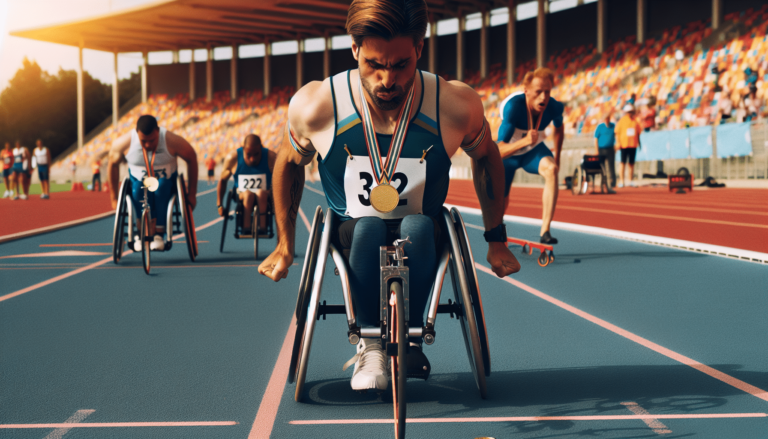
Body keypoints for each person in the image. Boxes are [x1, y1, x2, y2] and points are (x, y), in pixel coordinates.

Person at [258, 0, 520, 392]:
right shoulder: (317, 104)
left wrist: (496, 239)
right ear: (355, 49)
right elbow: (288, 163)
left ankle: (410, 337)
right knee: (365, 228)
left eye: (400, 65)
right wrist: (284, 244)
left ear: (419, 49)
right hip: (351, 228)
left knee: (415, 224)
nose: (387, 79)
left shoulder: (453, 103)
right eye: (374, 65)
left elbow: (487, 158)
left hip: (423, 226)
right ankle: (372, 344)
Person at [108, 115, 199, 251]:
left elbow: (192, 157)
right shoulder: (124, 143)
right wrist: (114, 197)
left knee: (160, 187)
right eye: (143, 141)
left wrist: (192, 193)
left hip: (166, 182)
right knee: (138, 188)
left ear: (158, 131)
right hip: (139, 183)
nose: (148, 145)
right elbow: (112, 164)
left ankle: (159, 234)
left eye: (152, 140)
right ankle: (141, 233)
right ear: (136, 132)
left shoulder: (171, 140)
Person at [496, 68, 564, 244]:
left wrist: (557, 155)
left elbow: (559, 128)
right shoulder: (514, 107)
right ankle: (497, 228)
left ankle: (545, 231)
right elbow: (498, 151)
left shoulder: (554, 107)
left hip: (532, 152)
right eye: (538, 92)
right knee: (502, 199)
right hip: (508, 156)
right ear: (526, 91)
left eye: (547, 92)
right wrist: (524, 141)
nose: (543, 97)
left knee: (552, 170)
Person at [217, 134, 275, 232]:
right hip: (241, 194)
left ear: (261, 148)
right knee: (248, 194)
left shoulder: (271, 158)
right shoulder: (233, 158)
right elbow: (222, 181)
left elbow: (282, 181)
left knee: (261, 193)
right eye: (249, 155)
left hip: (265, 194)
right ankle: (246, 227)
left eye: (256, 154)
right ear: (243, 149)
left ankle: (263, 226)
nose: (252, 159)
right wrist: (220, 205)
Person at [614, 104, 642, 188]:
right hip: (624, 145)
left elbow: (638, 132)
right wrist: (618, 143)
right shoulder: (622, 121)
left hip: (633, 145)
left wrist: (639, 143)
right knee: (622, 163)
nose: (630, 113)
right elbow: (617, 133)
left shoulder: (635, 121)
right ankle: (621, 181)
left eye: (631, 112)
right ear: (626, 112)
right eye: (629, 112)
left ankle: (630, 180)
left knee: (631, 163)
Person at [593, 112, 616, 191]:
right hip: (601, 149)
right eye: (606, 118)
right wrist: (596, 150)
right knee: (602, 168)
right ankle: (603, 183)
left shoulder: (613, 126)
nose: (607, 120)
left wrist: (616, 146)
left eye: (608, 118)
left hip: (610, 149)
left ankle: (612, 183)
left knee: (611, 166)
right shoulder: (600, 127)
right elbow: (595, 139)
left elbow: (616, 135)